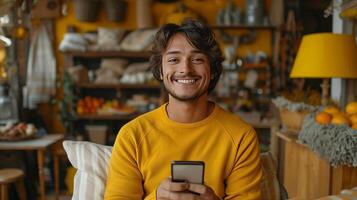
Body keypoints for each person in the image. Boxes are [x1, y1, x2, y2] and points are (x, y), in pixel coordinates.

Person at [104, 20, 262, 200]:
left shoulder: (241, 136)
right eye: (173, 60)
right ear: (161, 71)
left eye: (197, 59)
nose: (185, 69)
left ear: (211, 72)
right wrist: (157, 198)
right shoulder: (132, 136)